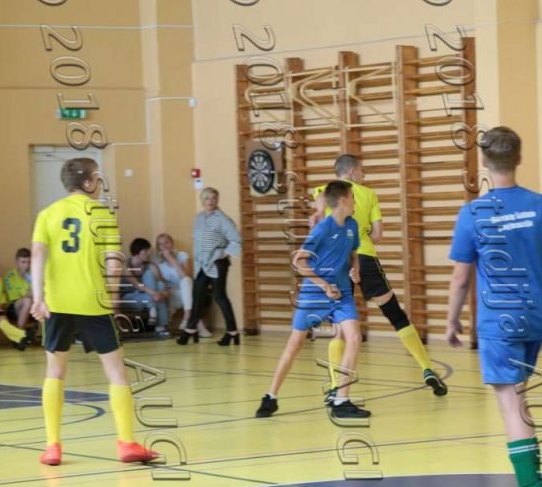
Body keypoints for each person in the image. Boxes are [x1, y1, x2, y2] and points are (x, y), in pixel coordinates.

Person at [445, 126, 542, 487]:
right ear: (518, 158)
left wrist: (451, 320)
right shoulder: (541, 205)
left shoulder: (473, 213)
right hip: (535, 317)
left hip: (499, 321)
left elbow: (460, 278)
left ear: (484, 162)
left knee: (511, 407)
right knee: (520, 402)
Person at [31, 157, 158, 466]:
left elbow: (37, 254)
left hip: (57, 304)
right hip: (93, 303)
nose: (100, 184)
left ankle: (52, 446)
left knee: (55, 373)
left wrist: (38, 298)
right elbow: (113, 261)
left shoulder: (47, 214)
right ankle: (126, 442)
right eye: (98, 179)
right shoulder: (103, 214)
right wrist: (112, 297)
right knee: (116, 372)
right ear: (88, 182)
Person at [312, 155, 447, 399]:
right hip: (364, 256)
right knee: (395, 314)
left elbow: (319, 211)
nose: (364, 175)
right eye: (361, 170)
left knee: (339, 328)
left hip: (335, 261)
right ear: (352, 171)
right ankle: (427, 368)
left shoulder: (324, 190)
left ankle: (334, 386)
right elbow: (377, 235)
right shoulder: (369, 194)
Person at [255, 181, 369, 419]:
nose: (355, 201)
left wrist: (356, 269)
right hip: (315, 294)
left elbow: (353, 253)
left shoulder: (352, 225)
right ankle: (271, 397)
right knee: (295, 344)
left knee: (354, 337)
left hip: (341, 294)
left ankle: (341, 401)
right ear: (343, 200)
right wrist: (324, 285)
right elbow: (299, 261)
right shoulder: (323, 229)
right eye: (352, 197)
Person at [177, 187, 242, 346]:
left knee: (219, 296)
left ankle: (232, 332)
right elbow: (198, 243)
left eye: (214, 198)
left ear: (217, 200)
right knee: (197, 295)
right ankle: (191, 328)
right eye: (207, 198)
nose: (211, 201)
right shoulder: (198, 218)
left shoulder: (222, 219)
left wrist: (222, 255)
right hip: (202, 264)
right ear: (202, 200)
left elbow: (236, 240)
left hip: (218, 263)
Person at [155, 233, 210, 336]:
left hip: (187, 291)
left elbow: (186, 276)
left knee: (186, 281)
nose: (164, 246)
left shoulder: (182, 255)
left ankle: (187, 316)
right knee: (188, 298)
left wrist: (172, 259)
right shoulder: (159, 264)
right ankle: (199, 326)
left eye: (166, 242)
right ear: (158, 248)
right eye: (161, 244)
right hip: (173, 295)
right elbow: (162, 283)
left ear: (172, 243)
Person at [121, 238, 171, 339]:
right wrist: (155, 294)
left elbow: (162, 283)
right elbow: (137, 285)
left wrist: (162, 293)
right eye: (145, 251)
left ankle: (154, 312)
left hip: (146, 295)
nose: (149, 253)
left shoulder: (149, 265)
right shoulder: (126, 265)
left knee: (155, 281)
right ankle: (160, 327)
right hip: (128, 298)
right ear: (137, 252)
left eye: (149, 251)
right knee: (154, 298)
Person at [5, 247, 34, 337]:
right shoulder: (10, 277)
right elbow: (16, 299)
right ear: (17, 262)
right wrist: (31, 292)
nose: (27, 265)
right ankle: (19, 334)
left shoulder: (32, 275)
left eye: (29, 262)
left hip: (31, 306)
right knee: (27, 301)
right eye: (23, 262)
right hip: (13, 308)